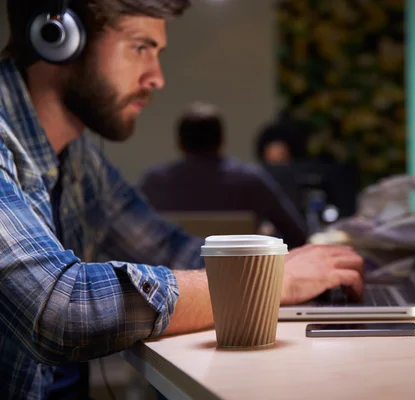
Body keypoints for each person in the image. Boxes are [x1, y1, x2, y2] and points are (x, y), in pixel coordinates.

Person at [0, 1, 364, 399]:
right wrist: (266, 283)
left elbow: (166, 247)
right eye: (140, 47)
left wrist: (291, 272)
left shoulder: (78, 157)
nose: (157, 78)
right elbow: (59, 311)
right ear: (59, 38)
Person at [139, 102, 308, 249]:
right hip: (238, 281)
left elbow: (136, 235)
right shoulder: (250, 180)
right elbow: (297, 235)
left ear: (180, 143)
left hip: (172, 280)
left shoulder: (155, 182)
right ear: (221, 141)